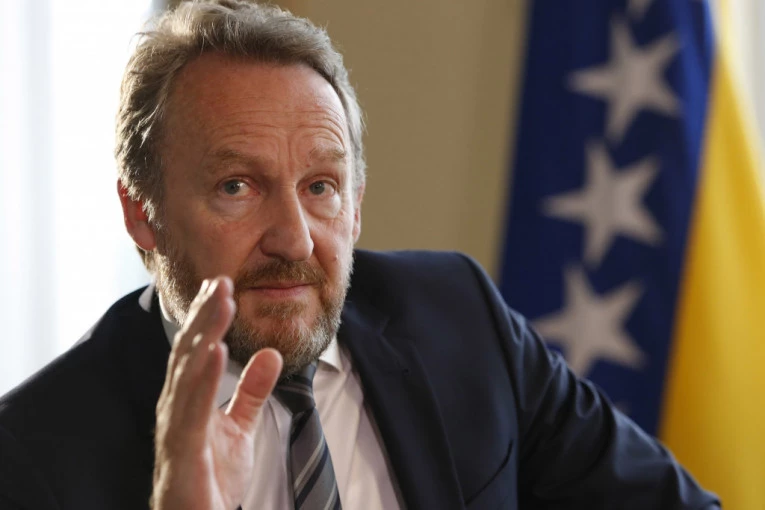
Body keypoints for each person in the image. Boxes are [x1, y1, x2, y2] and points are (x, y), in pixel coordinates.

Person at [0, 1, 720, 509]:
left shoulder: (460, 319)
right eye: (236, 186)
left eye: (320, 187)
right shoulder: (32, 455)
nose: (293, 239)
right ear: (142, 215)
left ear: (356, 203)